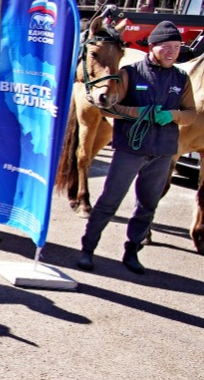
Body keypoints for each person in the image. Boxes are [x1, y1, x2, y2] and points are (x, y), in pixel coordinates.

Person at [76, 21, 197, 275]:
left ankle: (132, 250)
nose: (172, 52)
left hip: (162, 152)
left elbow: (190, 115)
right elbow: (110, 107)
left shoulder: (181, 78)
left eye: (176, 47)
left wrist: (172, 115)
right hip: (130, 149)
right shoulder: (130, 73)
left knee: (147, 205)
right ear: (153, 46)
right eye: (166, 47)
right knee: (110, 201)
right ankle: (88, 249)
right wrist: (138, 112)